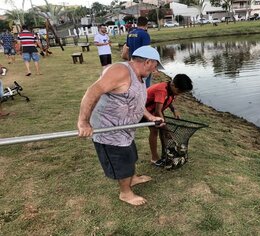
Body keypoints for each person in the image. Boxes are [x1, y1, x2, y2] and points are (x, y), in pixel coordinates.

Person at [77, 46, 164, 206]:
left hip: (125, 130)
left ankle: (133, 178)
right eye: (155, 66)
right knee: (121, 162)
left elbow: (136, 101)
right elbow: (93, 91)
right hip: (109, 130)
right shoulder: (120, 70)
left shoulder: (140, 77)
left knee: (131, 156)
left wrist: (151, 116)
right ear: (148, 61)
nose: (155, 70)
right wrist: (83, 122)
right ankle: (125, 193)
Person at [145, 74, 193, 166]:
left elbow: (168, 100)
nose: (179, 93)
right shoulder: (162, 90)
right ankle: (154, 158)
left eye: (181, 92)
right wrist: (166, 129)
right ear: (173, 84)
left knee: (163, 131)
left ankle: (165, 153)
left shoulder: (171, 89)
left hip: (155, 111)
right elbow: (157, 111)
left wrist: (174, 110)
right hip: (145, 111)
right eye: (179, 91)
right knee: (154, 131)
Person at [126, 16, 152, 88]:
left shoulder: (130, 33)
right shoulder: (144, 34)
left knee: (135, 82)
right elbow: (147, 50)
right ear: (146, 24)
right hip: (142, 63)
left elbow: (127, 48)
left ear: (137, 23)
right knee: (145, 84)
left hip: (132, 62)